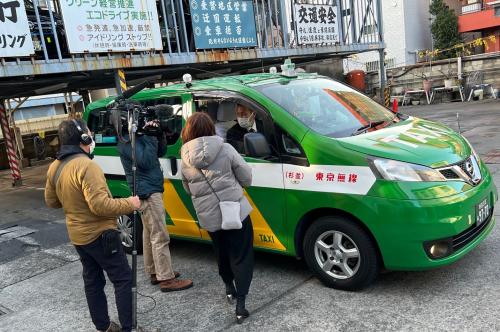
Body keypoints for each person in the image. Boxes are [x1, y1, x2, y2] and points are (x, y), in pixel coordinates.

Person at [45, 119, 141, 332]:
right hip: (101, 235)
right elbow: (100, 206)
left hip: (78, 236)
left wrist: (72, 199)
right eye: (89, 134)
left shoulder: (55, 166)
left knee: (93, 282)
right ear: (84, 138)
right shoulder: (87, 166)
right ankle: (129, 328)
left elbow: (51, 202)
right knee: (123, 280)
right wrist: (130, 203)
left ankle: (104, 326)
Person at [180, 112, 254, 324]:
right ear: (211, 128)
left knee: (221, 252)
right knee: (241, 255)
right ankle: (241, 305)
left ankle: (229, 288)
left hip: (209, 216)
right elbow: (246, 178)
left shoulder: (184, 158)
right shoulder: (226, 148)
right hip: (234, 212)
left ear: (189, 131)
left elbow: (187, 189)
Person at [117, 121, 193, 292]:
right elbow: (146, 160)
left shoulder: (137, 138)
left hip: (148, 188)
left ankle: (154, 271)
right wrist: (151, 137)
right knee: (160, 234)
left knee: (149, 232)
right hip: (148, 191)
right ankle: (166, 278)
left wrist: (158, 135)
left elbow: (160, 152)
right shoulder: (127, 142)